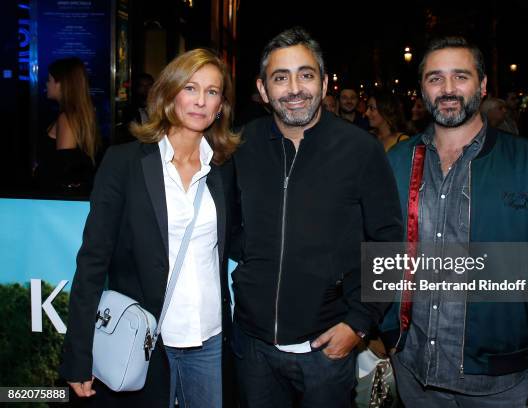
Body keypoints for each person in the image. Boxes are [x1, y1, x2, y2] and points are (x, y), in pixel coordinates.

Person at [387, 37, 528, 408]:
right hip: (413, 374)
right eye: (434, 78)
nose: (447, 89)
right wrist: (386, 330)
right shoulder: (396, 161)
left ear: (483, 85)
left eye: (461, 76)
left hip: (501, 384)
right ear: (422, 89)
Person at [231, 27, 403, 408]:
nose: (294, 88)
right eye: (281, 77)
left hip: (327, 350)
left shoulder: (361, 150)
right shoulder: (240, 145)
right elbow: (225, 223)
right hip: (252, 347)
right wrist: (252, 264)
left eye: (305, 75)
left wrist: (359, 322)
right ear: (263, 90)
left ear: (324, 82)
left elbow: (390, 244)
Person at [59, 48, 240, 408]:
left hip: (209, 341)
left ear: (221, 105)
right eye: (191, 88)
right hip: (144, 341)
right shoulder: (124, 163)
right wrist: (78, 353)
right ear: (170, 93)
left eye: (212, 91)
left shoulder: (223, 167)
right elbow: (93, 261)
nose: (201, 101)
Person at [37, 57, 100, 194]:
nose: (46, 84)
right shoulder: (78, 114)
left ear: (61, 84)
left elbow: (66, 168)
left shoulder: (67, 117)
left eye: (49, 80)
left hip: (57, 199)